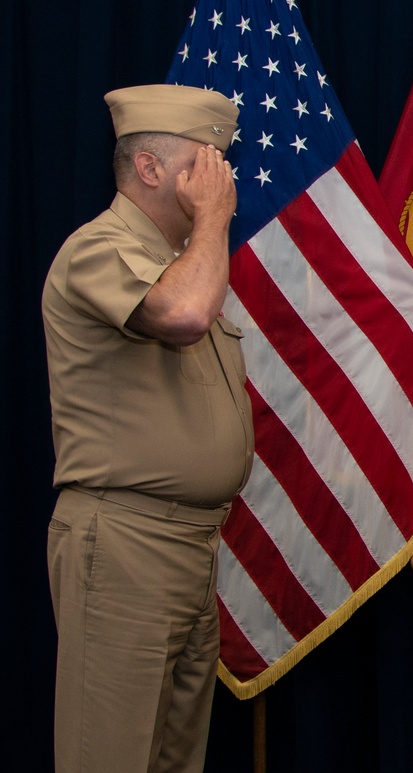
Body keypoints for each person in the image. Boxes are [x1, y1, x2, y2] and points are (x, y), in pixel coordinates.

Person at [42, 84, 254, 773]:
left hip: (192, 549)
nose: (222, 179)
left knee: (173, 760)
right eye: (207, 162)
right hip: (126, 544)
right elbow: (185, 316)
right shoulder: (96, 250)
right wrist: (215, 221)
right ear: (150, 169)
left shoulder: (182, 264)